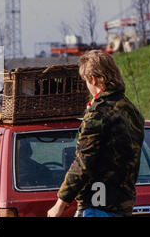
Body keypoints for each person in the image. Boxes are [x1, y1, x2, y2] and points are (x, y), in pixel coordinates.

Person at [47, 50, 144, 217]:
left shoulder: (98, 113)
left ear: (93, 78)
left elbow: (83, 163)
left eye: (86, 81)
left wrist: (59, 204)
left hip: (97, 205)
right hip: (123, 204)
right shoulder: (131, 110)